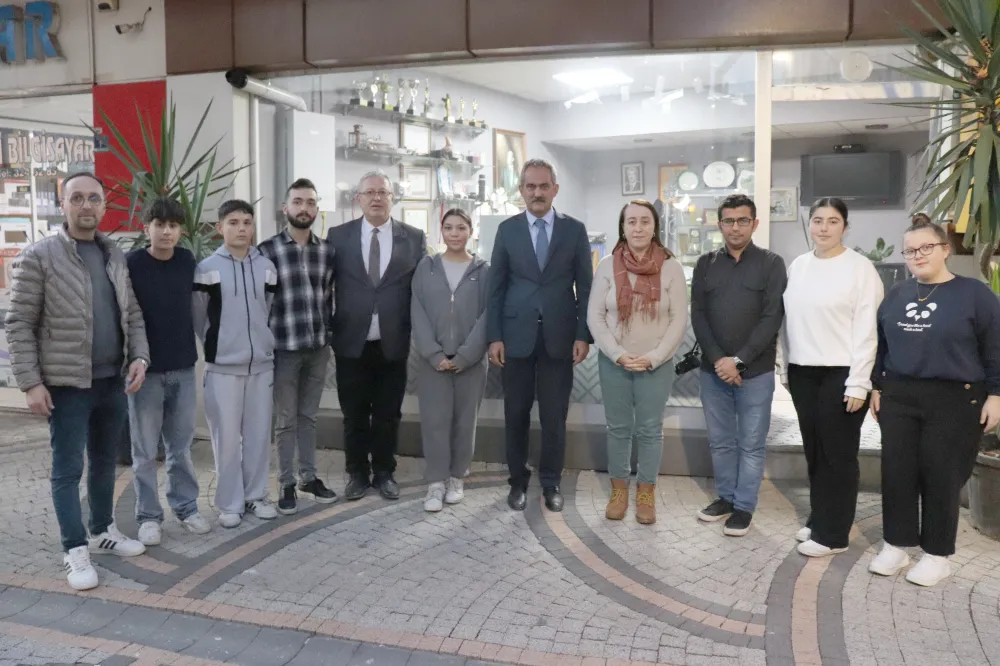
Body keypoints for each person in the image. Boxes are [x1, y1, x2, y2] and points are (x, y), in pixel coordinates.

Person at [5, 172, 148, 590]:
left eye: (94, 198)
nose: (87, 205)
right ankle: (74, 548)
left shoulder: (113, 254)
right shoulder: (39, 257)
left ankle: (102, 530)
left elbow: (132, 313)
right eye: (77, 198)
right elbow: (19, 323)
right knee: (68, 469)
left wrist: (139, 356)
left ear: (104, 205)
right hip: (66, 386)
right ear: (63, 204)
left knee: (105, 463)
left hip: (111, 381)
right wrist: (30, 383)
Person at [868, 220, 1000, 587]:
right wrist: (877, 386)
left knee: (942, 475)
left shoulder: (975, 294)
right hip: (899, 395)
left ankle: (937, 555)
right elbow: (881, 345)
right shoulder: (897, 294)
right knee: (897, 472)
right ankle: (896, 544)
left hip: (954, 398)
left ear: (945, 249)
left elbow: (995, 347)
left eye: (926, 247)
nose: (918, 255)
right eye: (910, 250)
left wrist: (996, 394)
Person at [487, 158, 593, 513]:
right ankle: (517, 481)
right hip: (514, 338)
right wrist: (494, 336)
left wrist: (583, 334)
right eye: (530, 186)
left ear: (555, 190)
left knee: (554, 416)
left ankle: (551, 482)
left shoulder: (574, 230)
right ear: (521, 190)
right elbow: (495, 288)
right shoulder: (507, 230)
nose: (537, 192)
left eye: (543, 186)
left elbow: (586, 287)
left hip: (559, 338)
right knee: (515, 414)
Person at [779, 198, 883, 558]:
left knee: (838, 455)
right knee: (815, 451)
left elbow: (868, 330)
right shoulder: (799, 265)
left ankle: (834, 535)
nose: (824, 227)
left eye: (833, 221)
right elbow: (788, 322)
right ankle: (821, 518)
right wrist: (785, 366)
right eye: (818, 220)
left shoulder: (860, 269)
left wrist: (860, 382)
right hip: (803, 371)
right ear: (810, 224)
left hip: (842, 373)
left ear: (845, 227)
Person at [327, 171, 426, 501]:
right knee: (354, 413)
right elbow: (323, 284)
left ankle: (384, 471)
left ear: (392, 198)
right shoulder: (338, 236)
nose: (376, 198)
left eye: (383, 192)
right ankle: (357, 472)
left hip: (393, 341)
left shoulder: (413, 237)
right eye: (369, 192)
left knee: (388, 413)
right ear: (359, 198)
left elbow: (424, 289)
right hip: (350, 340)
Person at [691, 194, 786, 536]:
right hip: (713, 371)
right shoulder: (705, 264)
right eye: (729, 221)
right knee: (720, 441)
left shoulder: (771, 264)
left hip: (756, 371)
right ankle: (726, 498)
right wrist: (719, 359)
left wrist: (740, 360)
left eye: (742, 220)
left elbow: (772, 317)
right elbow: (698, 315)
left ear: (754, 224)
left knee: (751, 443)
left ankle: (744, 506)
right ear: (720, 225)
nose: (735, 227)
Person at [587, 200, 687, 524]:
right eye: (631, 222)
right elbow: (594, 316)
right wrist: (616, 353)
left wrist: (654, 357)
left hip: (656, 363)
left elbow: (679, 320)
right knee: (617, 428)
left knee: (649, 430)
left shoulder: (671, 267)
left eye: (645, 221)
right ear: (623, 227)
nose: (638, 228)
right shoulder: (607, 265)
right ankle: (619, 490)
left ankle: (646, 493)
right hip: (614, 362)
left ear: (654, 226)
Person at [126, 196, 212, 546]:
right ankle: (148, 516)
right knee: (145, 451)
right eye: (159, 224)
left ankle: (186, 507)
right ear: (146, 227)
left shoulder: (187, 261)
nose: (166, 232)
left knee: (180, 448)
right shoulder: (132, 264)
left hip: (183, 368)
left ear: (181, 231)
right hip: (146, 373)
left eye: (173, 225)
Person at [193, 200, 278, 528]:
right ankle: (229, 503)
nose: (241, 228)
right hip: (223, 368)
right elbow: (198, 316)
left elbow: (268, 309)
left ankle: (256, 496)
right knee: (226, 439)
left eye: (246, 222)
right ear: (220, 227)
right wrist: (219, 345)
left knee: (258, 436)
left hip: (261, 366)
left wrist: (262, 342)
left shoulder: (267, 267)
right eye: (233, 222)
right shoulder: (206, 269)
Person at [258, 178, 338, 515]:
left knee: (308, 417)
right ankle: (286, 482)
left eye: (310, 202)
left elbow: (329, 296)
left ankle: (308, 477)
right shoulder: (266, 251)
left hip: (317, 347)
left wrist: (328, 333)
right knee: (286, 419)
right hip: (283, 348)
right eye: (298, 202)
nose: (304, 208)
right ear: (285, 208)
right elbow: (261, 303)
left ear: (316, 209)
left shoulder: (327, 251)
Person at [411, 209, 490, 512]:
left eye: (461, 228)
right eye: (448, 228)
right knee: (435, 421)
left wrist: (467, 355)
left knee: (465, 421)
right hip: (433, 362)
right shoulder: (426, 267)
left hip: (471, 362)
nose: (454, 233)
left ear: (471, 231)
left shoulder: (484, 271)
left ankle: (457, 478)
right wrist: (434, 354)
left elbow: (488, 315)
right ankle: (435, 482)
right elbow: (417, 312)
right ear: (441, 232)